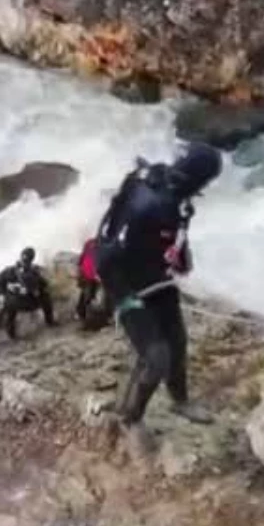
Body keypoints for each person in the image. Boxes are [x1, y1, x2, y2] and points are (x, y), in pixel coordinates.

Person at [94, 142, 223, 457]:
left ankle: (181, 401)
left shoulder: (167, 186)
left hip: (154, 274)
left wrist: (179, 254)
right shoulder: (150, 203)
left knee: (177, 340)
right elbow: (108, 258)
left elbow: (169, 233)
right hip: (125, 283)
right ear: (199, 179)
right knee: (156, 355)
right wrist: (124, 299)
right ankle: (130, 418)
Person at [0, 246, 56, 339]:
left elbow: (1, 282)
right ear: (32, 259)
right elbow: (43, 284)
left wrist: (3, 295)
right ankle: (50, 321)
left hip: (12, 303)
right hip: (28, 304)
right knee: (46, 298)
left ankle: (10, 332)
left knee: (9, 306)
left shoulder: (9, 270)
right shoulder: (33, 273)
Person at [75, 237, 111, 331]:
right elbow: (90, 265)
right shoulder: (98, 246)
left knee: (87, 295)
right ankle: (88, 319)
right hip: (88, 275)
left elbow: (81, 261)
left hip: (86, 275)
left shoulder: (90, 244)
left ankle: (83, 315)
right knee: (89, 296)